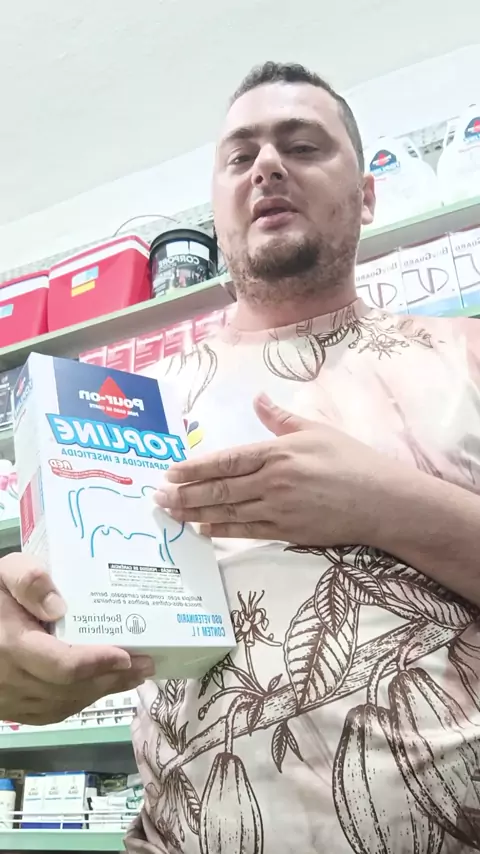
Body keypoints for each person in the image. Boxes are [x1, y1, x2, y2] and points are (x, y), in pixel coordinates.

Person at [2, 61, 480, 853]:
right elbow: (50, 612)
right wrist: (20, 645)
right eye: (240, 156)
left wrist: (385, 506)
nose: (267, 166)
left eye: (303, 145)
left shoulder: (464, 354)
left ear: (367, 195)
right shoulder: (129, 405)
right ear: (220, 211)